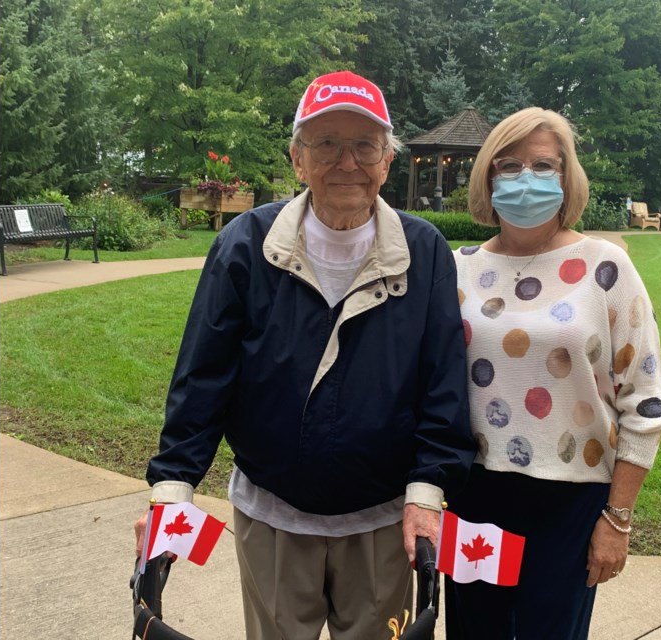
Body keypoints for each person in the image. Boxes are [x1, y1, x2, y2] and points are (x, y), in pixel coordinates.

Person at [134, 70, 476, 640]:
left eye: (365, 145)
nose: (348, 162)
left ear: (387, 160)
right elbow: (203, 377)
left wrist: (427, 493)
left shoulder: (424, 251)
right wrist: (171, 490)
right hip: (272, 514)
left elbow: (442, 380)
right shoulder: (244, 245)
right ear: (298, 159)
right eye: (327, 144)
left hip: (383, 518)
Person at [445, 107, 661, 639]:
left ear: (567, 178)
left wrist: (617, 519)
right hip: (477, 494)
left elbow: (644, 400)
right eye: (509, 165)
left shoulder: (606, 267)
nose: (526, 179)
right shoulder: (459, 268)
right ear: (488, 177)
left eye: (543, 165)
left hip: (569, 502)